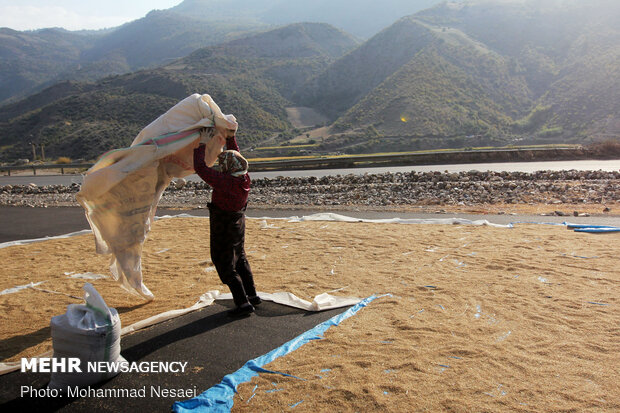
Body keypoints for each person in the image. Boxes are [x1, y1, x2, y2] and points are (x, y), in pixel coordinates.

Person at [193, 127, 261, 317]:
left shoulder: (224, 182)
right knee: (240, 257)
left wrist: (202, 143)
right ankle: (253, 295)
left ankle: (243, 304)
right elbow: (235, 155)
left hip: (223, 226)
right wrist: (231, 138)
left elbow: (200, 168)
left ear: (227, 168)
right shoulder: (244, 178)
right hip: (238, 224)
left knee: (225, 264)